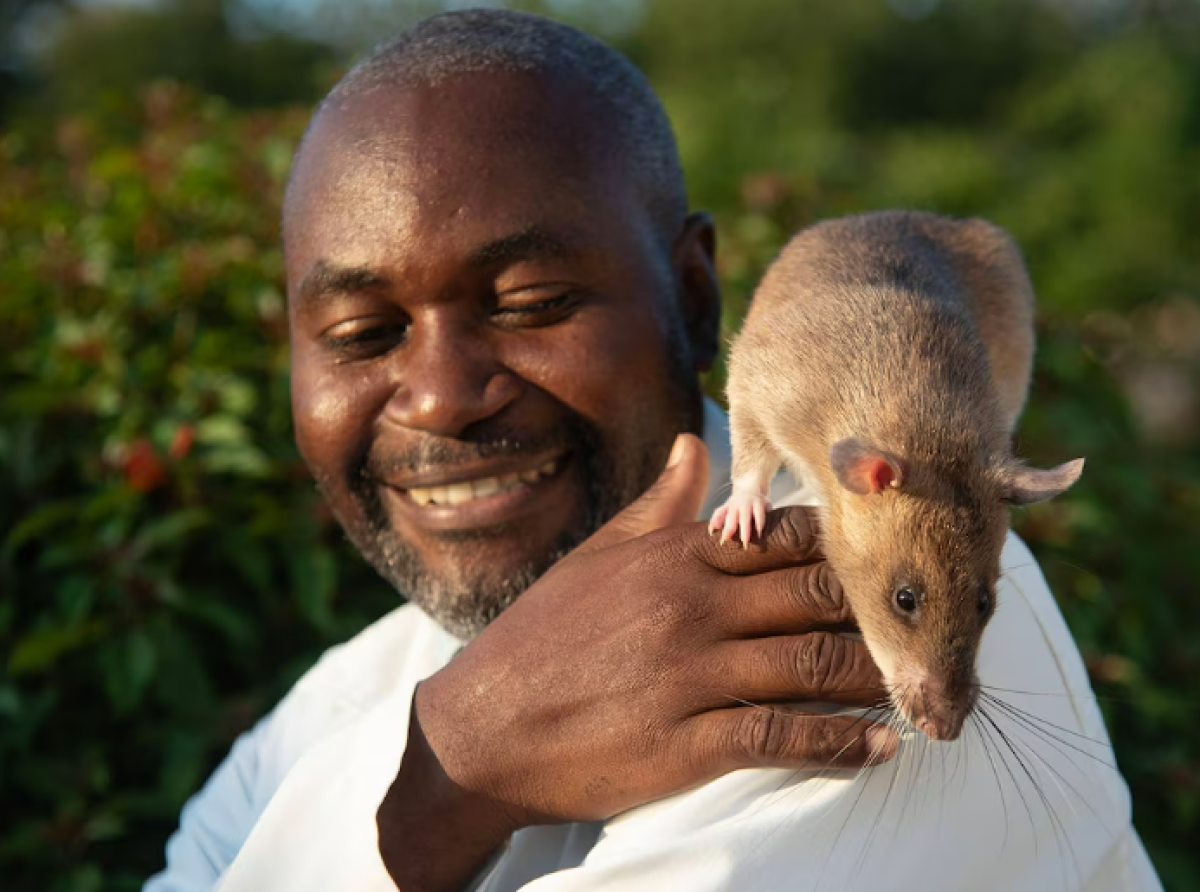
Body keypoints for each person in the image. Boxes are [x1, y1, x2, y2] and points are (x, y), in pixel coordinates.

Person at [145, 9, 1161, 892]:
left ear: (695, 296)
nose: (442, 399)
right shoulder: (344, 699)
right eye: (363, 333)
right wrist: (444, 774)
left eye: (534, 305)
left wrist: (436, 789)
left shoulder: (880, 596)